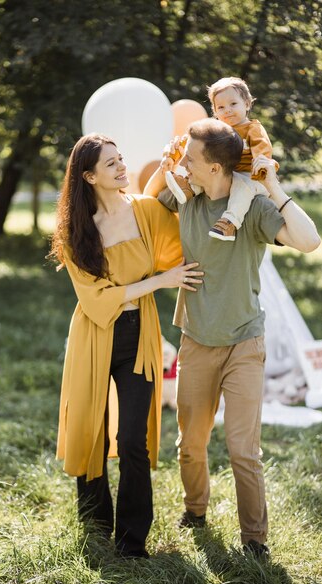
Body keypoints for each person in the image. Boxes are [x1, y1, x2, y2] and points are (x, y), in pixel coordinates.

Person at [144, 118, 320, 557]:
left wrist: (273, 187)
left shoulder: (254, 208)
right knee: (191, 444)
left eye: (192, 159)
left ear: (218, 169)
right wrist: (171, 157)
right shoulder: (186, 197)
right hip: (197, 341)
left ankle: (255, 540)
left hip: (245, 343)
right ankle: (195, 509)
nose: (184, 164)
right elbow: (146, 201)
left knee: (244, 449)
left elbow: (309, 240)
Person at [49, 133, 203, 559]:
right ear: (88, 175)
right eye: (111, 163)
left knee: (133, 438)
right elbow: (95, 300)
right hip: (95, 337)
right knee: (92, 430)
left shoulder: (148, 211)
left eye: (121, 160)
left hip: (140, 334)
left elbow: (183, 254)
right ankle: (96, 525)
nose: (121, 168)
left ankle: (132, 541)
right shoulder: (74, 232)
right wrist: (156, 283)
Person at [165, 76, 279, 241]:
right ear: (215, 111)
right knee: (206, 172)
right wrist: (177, 150)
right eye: (221, 107)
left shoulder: (253, 129)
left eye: (233, 104)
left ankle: (230, 222)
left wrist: (261, 170)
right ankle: (190, 189)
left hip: (250, 176)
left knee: (242, 189)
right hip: (228, 174)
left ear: (247, 104)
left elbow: (262, 150)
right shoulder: (218, 130)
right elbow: (194, 140)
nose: (227, 110)